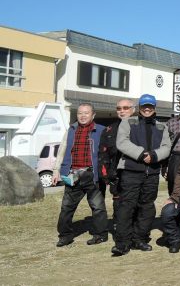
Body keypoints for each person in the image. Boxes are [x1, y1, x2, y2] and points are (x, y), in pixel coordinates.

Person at [111, 94, 171, 256]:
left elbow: (167, 146)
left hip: (151, 173)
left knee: (146, 207)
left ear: (154, 108)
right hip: (131, 171)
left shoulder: (162, 127)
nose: (147, 109)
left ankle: (140, 239)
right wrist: (142, 154)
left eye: (150, 106)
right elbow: (122, 142)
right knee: (127, 206)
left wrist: (155, 155)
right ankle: (122, 243)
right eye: (144, 106)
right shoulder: (128, 122)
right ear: (139, 108)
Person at [52, 103, 108, 247]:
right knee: (66, 207)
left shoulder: (102, 130)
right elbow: (62, 150)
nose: (83, 116)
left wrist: (108, 174)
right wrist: (56, 170)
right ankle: (65, 235)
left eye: (86, 113)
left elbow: (108, 154)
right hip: (72, 175)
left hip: (92, 175)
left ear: (93, 115)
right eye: (80, 113)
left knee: (98, 207)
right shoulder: (71, 130)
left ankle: (100, 235)